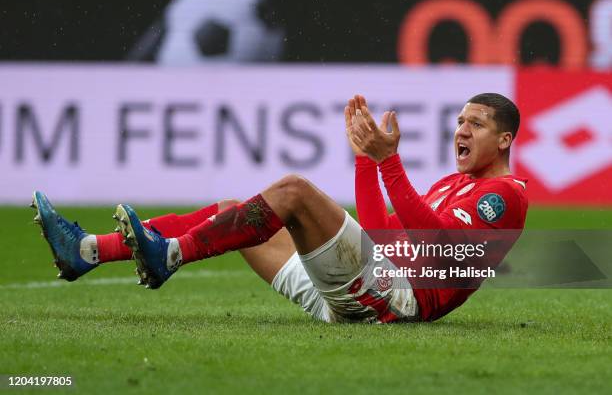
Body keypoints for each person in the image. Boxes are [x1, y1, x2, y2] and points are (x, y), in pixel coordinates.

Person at [32, 93, 528, 323]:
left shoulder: (504, 198)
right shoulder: (451, 183)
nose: (461, 130)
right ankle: (88, 251)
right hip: (363, 290)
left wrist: (390, 163)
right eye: (460, 120)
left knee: (293, 191)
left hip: (396, 302)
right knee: (232, 211)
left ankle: (171, 256)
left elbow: (439, 246)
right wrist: (366, 164)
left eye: (477, 124)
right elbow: (383, 238)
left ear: (504, 139)